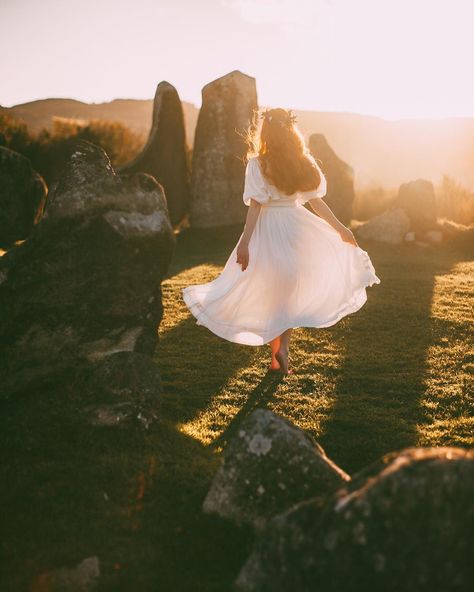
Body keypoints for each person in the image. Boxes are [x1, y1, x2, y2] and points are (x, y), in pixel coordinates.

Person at [182, 107, 380, 374]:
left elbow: (255, 206)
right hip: (297, 227)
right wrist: (341, 228)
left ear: (266, 132)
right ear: (291, 131)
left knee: (275, 290)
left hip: (268, 228)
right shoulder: (303, 161)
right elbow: (316, 203)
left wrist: (244, 243)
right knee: (286, 292)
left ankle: (279, 353)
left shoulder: (258, 164)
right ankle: (281, 351)